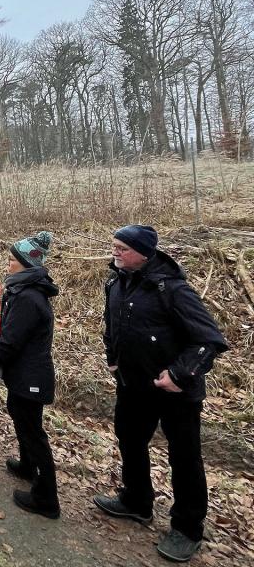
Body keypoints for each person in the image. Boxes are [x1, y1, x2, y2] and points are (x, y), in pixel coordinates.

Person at [94, 225, 228, 563]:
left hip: (176, 394)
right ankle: (137, 502)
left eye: (122, 248)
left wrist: (179, 374)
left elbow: (209, 340)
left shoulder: (173, 290)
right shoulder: (116, 283)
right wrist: (113, 359)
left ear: (144, 253)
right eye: (114, 246)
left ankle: (187, 529)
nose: (115, 252)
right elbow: (112, 325)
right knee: (129, 440)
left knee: (184, 458)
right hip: (133, 386)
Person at [0, 231, 60, 520]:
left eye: (13, 260)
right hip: (23, 374)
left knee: (32, 431)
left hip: (32, 377)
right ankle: (28, 467)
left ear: (27, 264)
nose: (8, 264)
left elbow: (10, 339)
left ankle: (46, 498)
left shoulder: (28, 298)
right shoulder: (24, 291)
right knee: (21, 416)